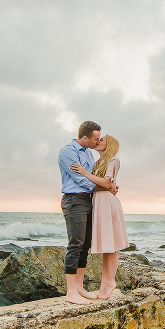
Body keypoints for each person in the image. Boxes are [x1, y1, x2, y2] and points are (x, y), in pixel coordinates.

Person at [58, 121, 113, 304]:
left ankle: (79, 287)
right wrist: (104, 186)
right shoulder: (68, 152)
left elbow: (93, 176)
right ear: (85, 138)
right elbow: (80, 179)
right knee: (75, 243)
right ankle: (70, 292)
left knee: (85, 244)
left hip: (88, 200)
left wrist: (106, 186)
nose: (98, 142)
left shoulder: (89, 154)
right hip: (74, 200)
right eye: (96, 139)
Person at [71, 134, 129, 299]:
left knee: (112, 245)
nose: (98, 141)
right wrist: (107, 185)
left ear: (109, 144)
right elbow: (101, 185)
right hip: (99, 203)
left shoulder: (113, 160)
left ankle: (110, 281)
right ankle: (105, 283)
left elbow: (104, 183)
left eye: (101, 140)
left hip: (108, 204)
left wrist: (85, 173)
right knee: (106, 245)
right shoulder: (98, 163)